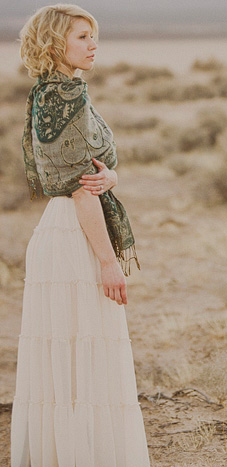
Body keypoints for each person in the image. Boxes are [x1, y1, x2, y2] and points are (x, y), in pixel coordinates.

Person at [11, 4, 150, 466]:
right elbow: (78, 190)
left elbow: (92, 174)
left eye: (94, 36)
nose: (94, 45)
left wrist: (111, 177)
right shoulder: (61, 98)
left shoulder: (58, 92)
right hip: (75, 234)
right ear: (55, 45)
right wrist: (110, 262)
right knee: (81, 353)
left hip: (69, 227)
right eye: (83, 37)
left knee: (76, 355)